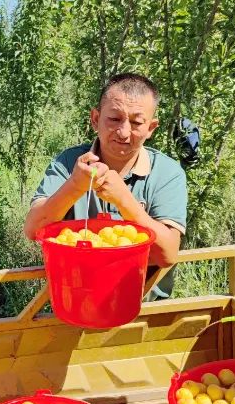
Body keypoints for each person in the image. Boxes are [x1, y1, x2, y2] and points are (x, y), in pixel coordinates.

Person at [24, 72, 188, 299]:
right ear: (95, 119)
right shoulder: (69, 163)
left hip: (143, 307)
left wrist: (124, 200)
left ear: (151, 128)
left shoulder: (167, 173)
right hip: (78, 302)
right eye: (114, 119)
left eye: (137, 122)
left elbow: (168, 253)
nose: (123, 132)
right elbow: (33, 229)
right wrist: (74, 186)